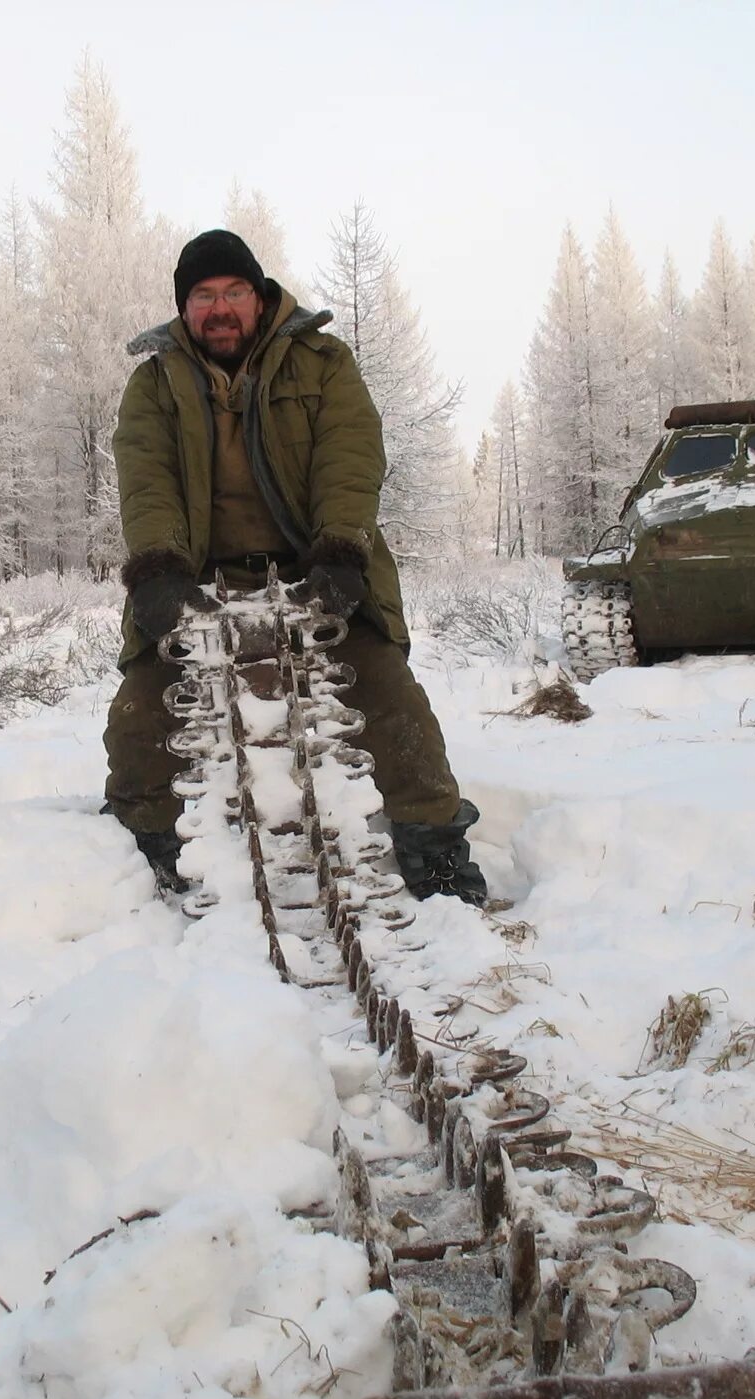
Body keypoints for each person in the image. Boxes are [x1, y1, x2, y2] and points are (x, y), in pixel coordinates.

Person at [103, 228, 487, 906]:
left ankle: (435, 844)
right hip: (200, 584)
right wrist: (159, 569)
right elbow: (146, 477)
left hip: (314, 572)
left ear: (259, 297)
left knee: (391, 698)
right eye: (203, 297)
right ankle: (153, 844)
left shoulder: (322, 362)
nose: (219, 309)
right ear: (184, 308)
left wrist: (341, 554)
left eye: (233, 292)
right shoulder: (155, 383)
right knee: (140, 713)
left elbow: (350, 456)